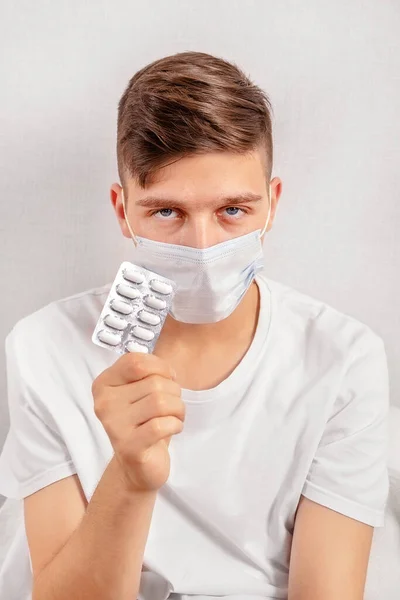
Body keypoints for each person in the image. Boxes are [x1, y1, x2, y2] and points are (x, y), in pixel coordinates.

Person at [0, 51, 390, 600]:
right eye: (167, 212)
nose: (204, 248)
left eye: (234, 209)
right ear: (123, 211)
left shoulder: (342, 359)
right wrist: (131, 477)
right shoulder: (45, 348)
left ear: (271, 206)